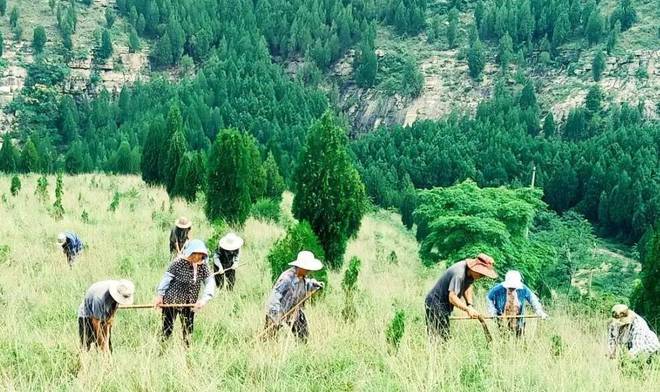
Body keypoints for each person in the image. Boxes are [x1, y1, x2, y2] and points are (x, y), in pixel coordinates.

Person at [154, 239, 215, 346]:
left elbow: (210, 283)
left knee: (188, 330)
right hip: (171, 301)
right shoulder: (178, 263)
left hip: (189, 303)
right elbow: (166, 279)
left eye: (200, 255)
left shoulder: (203, 266)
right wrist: (160, 296)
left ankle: (187, 352)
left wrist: (204, 300)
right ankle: (162, 349)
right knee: (167, 329)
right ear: (190, 253)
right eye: (194, 254)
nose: (197, 257)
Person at [425, 253, 498, 340]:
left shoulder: (470, 273)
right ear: (474, 269)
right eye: (481, 274)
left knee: (444, 335)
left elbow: (468, 286)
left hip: (444, 305)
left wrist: (470, 305)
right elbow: (452, 297)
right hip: (435, 303)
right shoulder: (459, 274)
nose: (482, 276)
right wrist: (467, 310)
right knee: (438, 337)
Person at [263, 251, 325, 342]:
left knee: (303, 336)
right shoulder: (286, 279)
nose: (309, 270)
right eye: (307, 268)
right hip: (278, 311)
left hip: (294, 310)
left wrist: (315, 284)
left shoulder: (302, 277)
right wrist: (277, 316)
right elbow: (275, 297)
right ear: (300, 266)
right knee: (269, 339)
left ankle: (301, 352)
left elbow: (305, 285)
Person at [78, 279, 135, 353]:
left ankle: (107, 361)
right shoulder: (99, 298)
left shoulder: (122, 289)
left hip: (102, 313)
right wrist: (102, 345)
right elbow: (95, 322)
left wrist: (106, 342)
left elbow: (108, 321)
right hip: (87, 315)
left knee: (108, 348)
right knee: (86, 346)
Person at [486, 270, 548, 336]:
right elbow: (488, 298)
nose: (512, 288)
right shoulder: (497, 289)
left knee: (519, 340)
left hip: (519, 319)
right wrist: (493, 312)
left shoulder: (524, 289)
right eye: (510, 287)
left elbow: (533, 299)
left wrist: (539, 311)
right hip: (501, 319)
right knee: (503, 339)